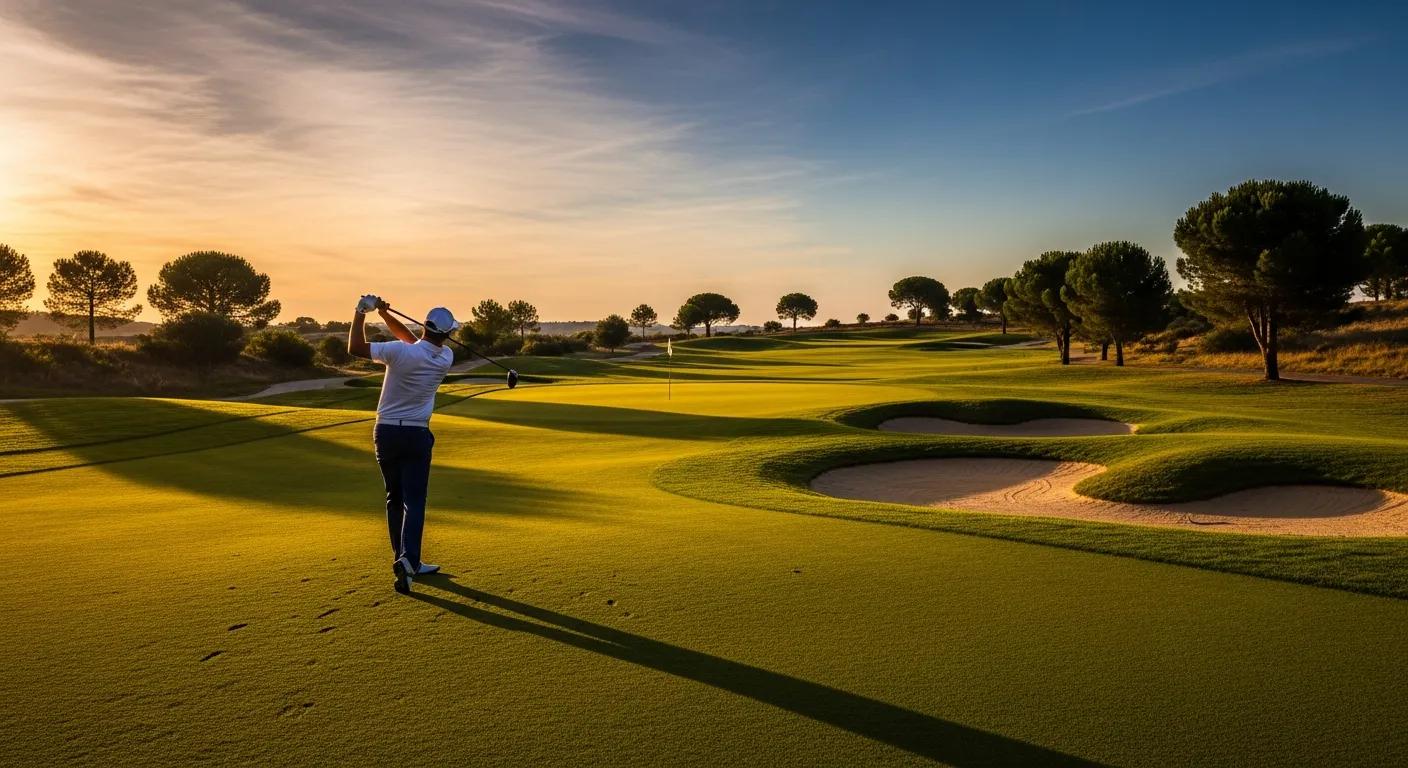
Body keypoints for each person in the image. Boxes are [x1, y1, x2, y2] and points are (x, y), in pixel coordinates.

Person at [348, 295, 458, 594]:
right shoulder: (445, 358)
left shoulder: (398, 353)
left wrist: (362, 313)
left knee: (394, 499)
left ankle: (404, 559)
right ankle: (410, 560)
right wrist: (385, 315)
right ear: (447, 334)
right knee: (415, 502)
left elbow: (356, 348)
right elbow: (416, 342)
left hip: (385, 433)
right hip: (416, 435)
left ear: (425, 325)